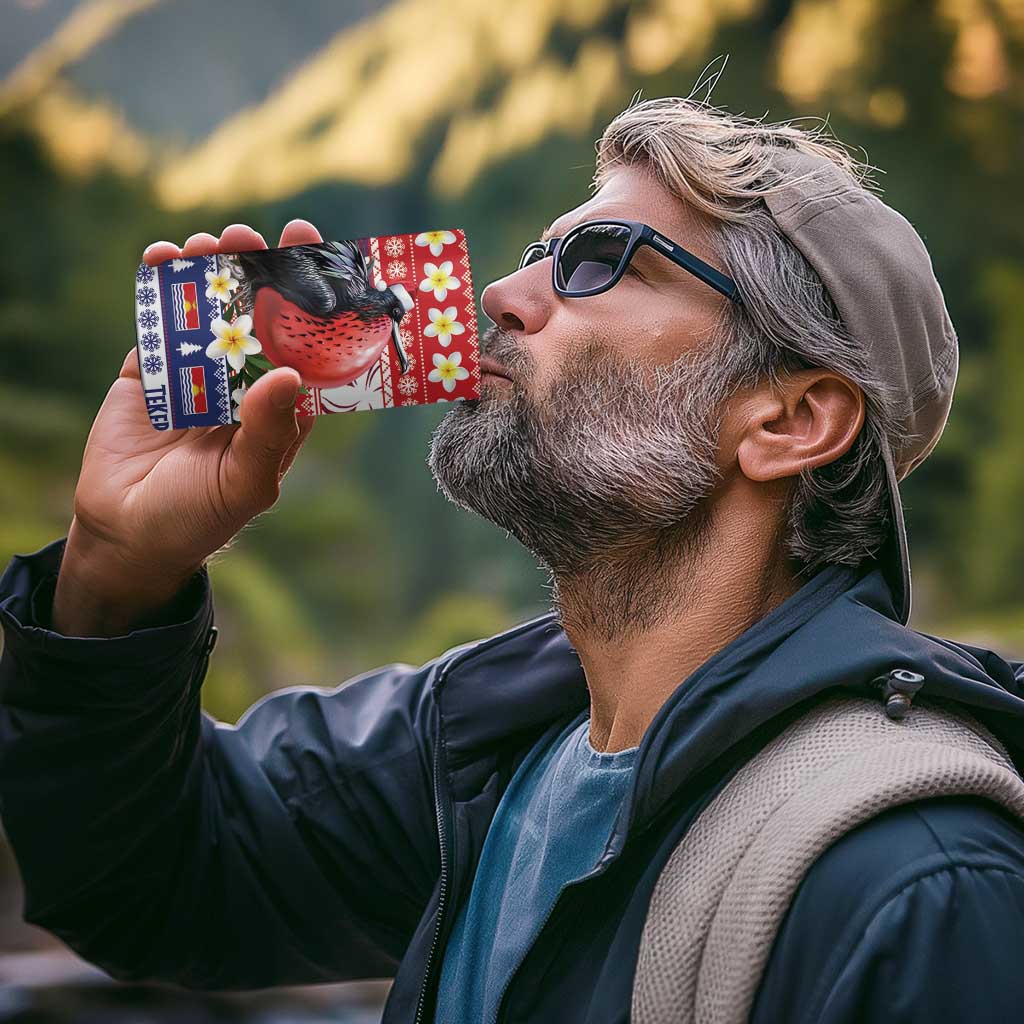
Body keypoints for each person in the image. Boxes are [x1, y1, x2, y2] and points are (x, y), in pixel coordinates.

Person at [2, 95, 1024, 1024]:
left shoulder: (918, 884)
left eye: (599, 261)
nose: (500, 292)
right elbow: (149, 880)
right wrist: (115, 572)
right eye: (540, 252)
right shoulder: (479, 748)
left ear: (791, 419)